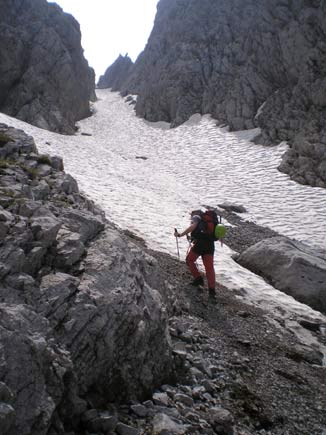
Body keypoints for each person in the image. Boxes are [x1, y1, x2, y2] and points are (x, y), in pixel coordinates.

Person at [174, 211, 216, 297]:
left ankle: (198, 279)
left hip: (200, 245)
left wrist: (180, 235)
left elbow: (192, 227)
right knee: (209, 268)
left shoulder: (198, 220)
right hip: (210, 246)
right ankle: (212, 291)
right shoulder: (211, 223)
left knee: (189, 260)